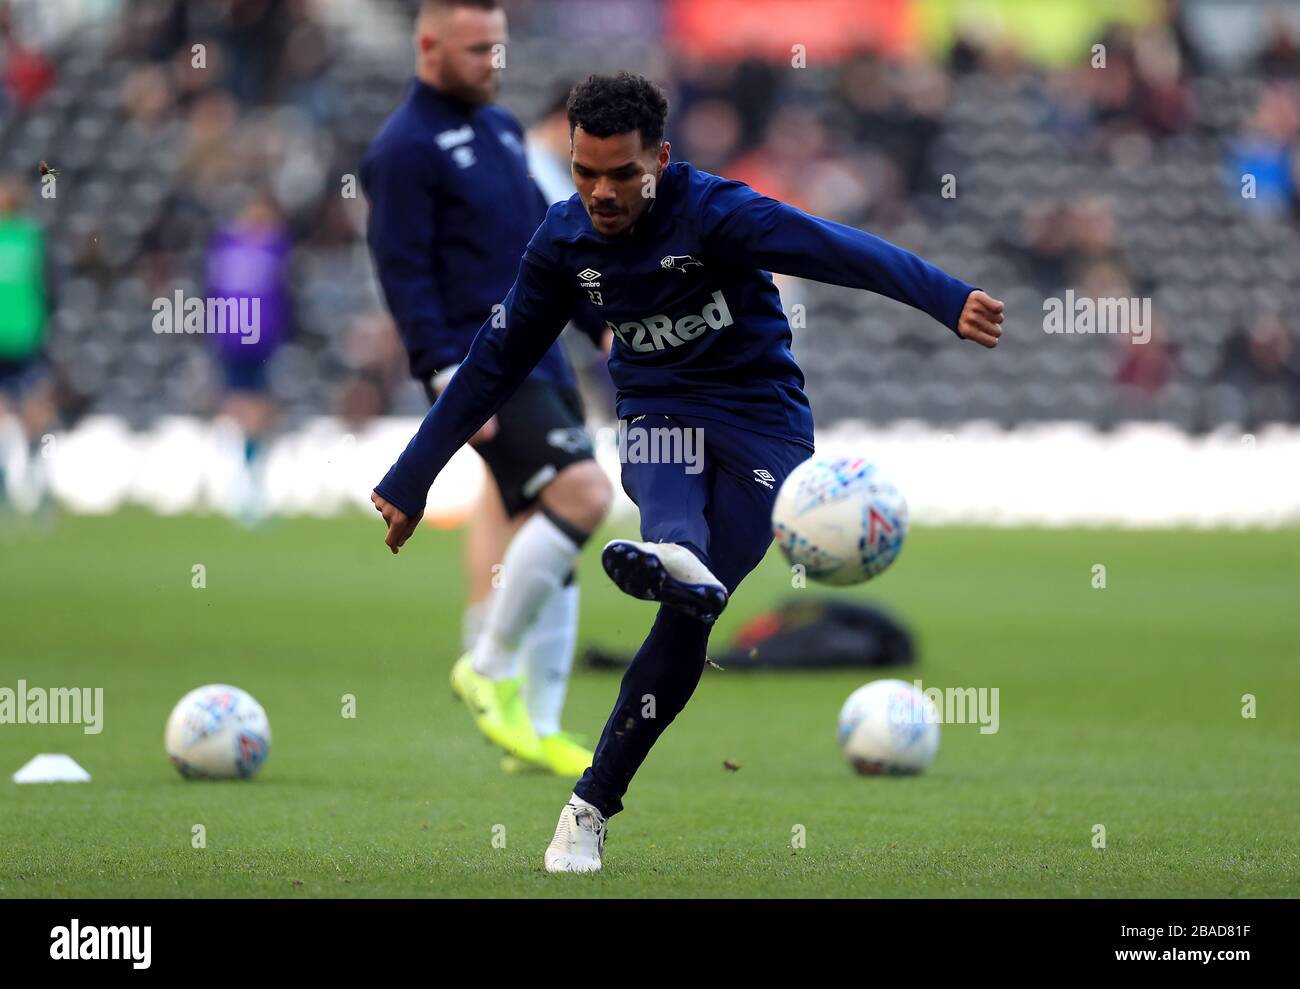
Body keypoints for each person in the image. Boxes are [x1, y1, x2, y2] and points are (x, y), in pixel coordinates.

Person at [369, 72, 1005, 872]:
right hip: (657, 408)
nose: (602, 191)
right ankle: (675, 558)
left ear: (660, 160)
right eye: (584, 171)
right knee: (674, 516)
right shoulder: (564, 241)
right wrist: (412, 474)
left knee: (687, 620)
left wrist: (947, 299)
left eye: (622, 174)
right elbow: (492, 362)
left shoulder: (717, 213)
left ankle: (590, 804)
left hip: (761, 422)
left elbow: (838, 249)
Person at [360, 0, 612, 776]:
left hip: (544, 358)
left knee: (557, 532)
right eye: (476, 51)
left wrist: (601, 318)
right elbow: (404, 274)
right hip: (483, 364)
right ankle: (488, 666)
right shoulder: (403, 148)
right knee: (584, 498)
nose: (491, 66)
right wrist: (442, 375)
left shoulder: (502, 130)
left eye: (498, 51)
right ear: (429, 47)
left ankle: (535, 727)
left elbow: (548, 242)